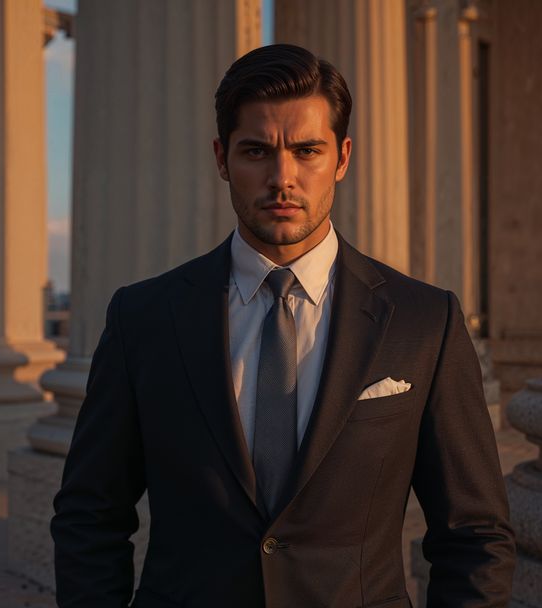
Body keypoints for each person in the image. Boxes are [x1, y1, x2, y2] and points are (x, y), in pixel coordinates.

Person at [51, 43, 515, 608]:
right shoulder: (143, 318)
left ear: (342, 158)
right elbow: (90, 515)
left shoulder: (425, 321)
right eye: (257, 151)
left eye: (307, 150)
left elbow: (474, 534)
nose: (282, 177)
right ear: (222, 158)